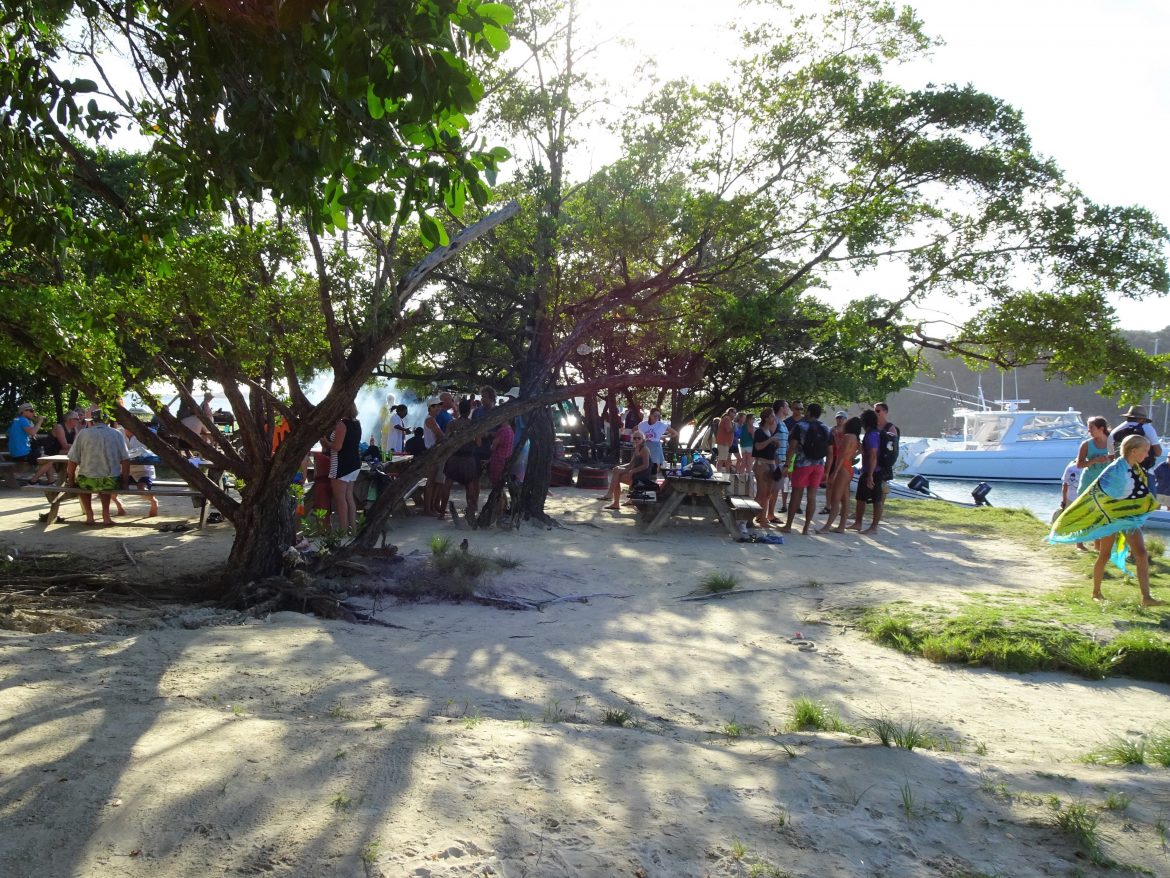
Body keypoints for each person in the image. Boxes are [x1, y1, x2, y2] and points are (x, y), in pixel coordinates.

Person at [1049, 434, 1165, 606]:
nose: (1147, 455)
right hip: (1110, 518)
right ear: (1134, 451)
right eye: (1145, 451)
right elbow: (1098, 493)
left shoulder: (1134, 468)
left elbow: (1136, 494)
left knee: (1141, 554)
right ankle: (1096, 592)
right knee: (1104, 554)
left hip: (1127, 518)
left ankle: (1146, 598)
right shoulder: (1116, 469)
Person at [65, 408, 130, 527]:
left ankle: (89, 516)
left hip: (87, 480)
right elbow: (125, 460)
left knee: (82, 484)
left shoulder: (83, 434)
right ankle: (106, 516)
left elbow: (72, 460)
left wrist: (70, 480)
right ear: (107, 420)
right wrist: (125, 481)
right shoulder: (116, 434)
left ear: (92, 421)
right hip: (110, 480)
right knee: (105, 483)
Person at [782, 403, 832, 534]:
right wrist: (827, 469)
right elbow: (830, 451)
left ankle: (788, 526)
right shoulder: (825, 428)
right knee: (812, 496)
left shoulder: (800, 426)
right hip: (819, 465)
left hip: (803, 464)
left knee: (796, 494)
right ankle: (806, 528)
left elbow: (792, 447)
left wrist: (787, 464)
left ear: (809, 412)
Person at [324, 402, 361, 534]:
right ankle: (353, 529)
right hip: (354, 463)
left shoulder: (342, 424)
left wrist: (324, 441)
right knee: (349, 497)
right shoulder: (357, 423)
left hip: (341, 464)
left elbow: (337, 447)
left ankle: (343, 531)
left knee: (340, 499)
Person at [820, 416, 861, 533]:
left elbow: (841, 456)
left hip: (842, 468)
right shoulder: (855, 438)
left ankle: (827, 527)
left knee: (835, 499)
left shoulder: (848, 437)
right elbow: (853, 451)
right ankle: (841, 526)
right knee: (845, 499)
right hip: (849, 468)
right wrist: (852, 457)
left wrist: (834, 473)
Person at [849, 409, 885, 534]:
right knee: (861, 497)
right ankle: (858, 523)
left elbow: (873, 455)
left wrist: (870, 475)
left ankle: (873, 527)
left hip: (873, 471)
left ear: (865, 422)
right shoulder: (876, 433)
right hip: (870, 470)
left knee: (876, 499)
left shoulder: (872, 435)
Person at [444, 399, 480, 515]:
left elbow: (446, 441)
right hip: (468, 458)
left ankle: (441, 511)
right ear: (469, 410)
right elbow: (478, 443)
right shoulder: (474, 424)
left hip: (454, 457)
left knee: (448, 483)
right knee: (469, 484)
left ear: (459, 410)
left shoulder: (452, 424)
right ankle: (471, 509)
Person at [601, 431, 653, 510]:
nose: (636, 440)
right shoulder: (636, 448)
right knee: (616, 470)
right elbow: (630, 465)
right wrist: (619, 467)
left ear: (643, 439)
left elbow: (646, 465)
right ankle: (613, 499)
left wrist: (632, 471)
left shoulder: (645, 449)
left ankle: (612, 498)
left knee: (617, 477)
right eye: (635, 438)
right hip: (636, 474)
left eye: (639, 438)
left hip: (642, 477)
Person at [29, 410, 81, 484]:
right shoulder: (59, 427)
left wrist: (76, 433)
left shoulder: (74, 429)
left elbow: (76, 443)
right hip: (49, 450)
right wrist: (78, 447)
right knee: (76, 453)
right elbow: (65, 446)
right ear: (70, 420)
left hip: (60, 450)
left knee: (76, 453)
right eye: (77, 419)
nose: (79, 421)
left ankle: (55, 481)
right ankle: (33, 481)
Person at [752, 409, 784, 529]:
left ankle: (761, 516)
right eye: (771, 416)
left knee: (768, 493)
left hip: (771, 464)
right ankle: (756, 518)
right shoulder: (759, 432)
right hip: (762, 465)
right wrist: (770, 440)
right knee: (762, 494)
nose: (774, 418)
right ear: (765, 418)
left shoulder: (769, 431)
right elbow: (758, 446)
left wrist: (775, 446)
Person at [1109, 405, 1161, 470]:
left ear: (1128, 416)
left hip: (1121, 470)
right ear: (1142, 419)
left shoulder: (1115, 431)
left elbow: (1111, 456)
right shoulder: (1148, 428)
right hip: (1143, 471)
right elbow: (1158, 452)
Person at [123, 425, 159, 517]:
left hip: (143, 471)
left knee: (142, 489)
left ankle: (153, 502)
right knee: (111, 486)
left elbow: (154, 451)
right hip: (124, 470)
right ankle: (119, 506)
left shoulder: (145, 434)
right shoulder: (118, 433)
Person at [637, 408, 677, 476]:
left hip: (655, 448)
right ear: (650, 415)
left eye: (658, 416)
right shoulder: (642, 424)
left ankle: (653, 482)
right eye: (655, 416)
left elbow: (675, 433)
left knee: (654, 469)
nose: (657, 418)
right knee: (643, 468)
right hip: (645, 447)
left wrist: (663, 437)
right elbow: (634, 431)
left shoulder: (661, 425)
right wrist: (642, 439)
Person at [8, 402, 45, 468]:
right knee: (49, 460)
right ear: (23, 411)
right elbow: (33, 433)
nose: (33, 413)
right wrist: (40, 422)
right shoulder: (23, 420)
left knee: (46, 458)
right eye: (31, 411)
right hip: (23, 454)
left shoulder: (15, 420)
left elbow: (7, 434)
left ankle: (41, 478)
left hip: (14, 454)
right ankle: (35, 478)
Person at [715, 408, 736, 473]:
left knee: (724, 459)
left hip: (724, 443)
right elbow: (728, 430)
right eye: (733, 413)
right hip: (724, 442)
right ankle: (718, 473)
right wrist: (734, 428)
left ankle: (725, 473)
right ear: (729, 412)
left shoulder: (726, 418)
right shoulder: (727, 418)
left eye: (735, 413)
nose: (734, 414)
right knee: (721, 459)